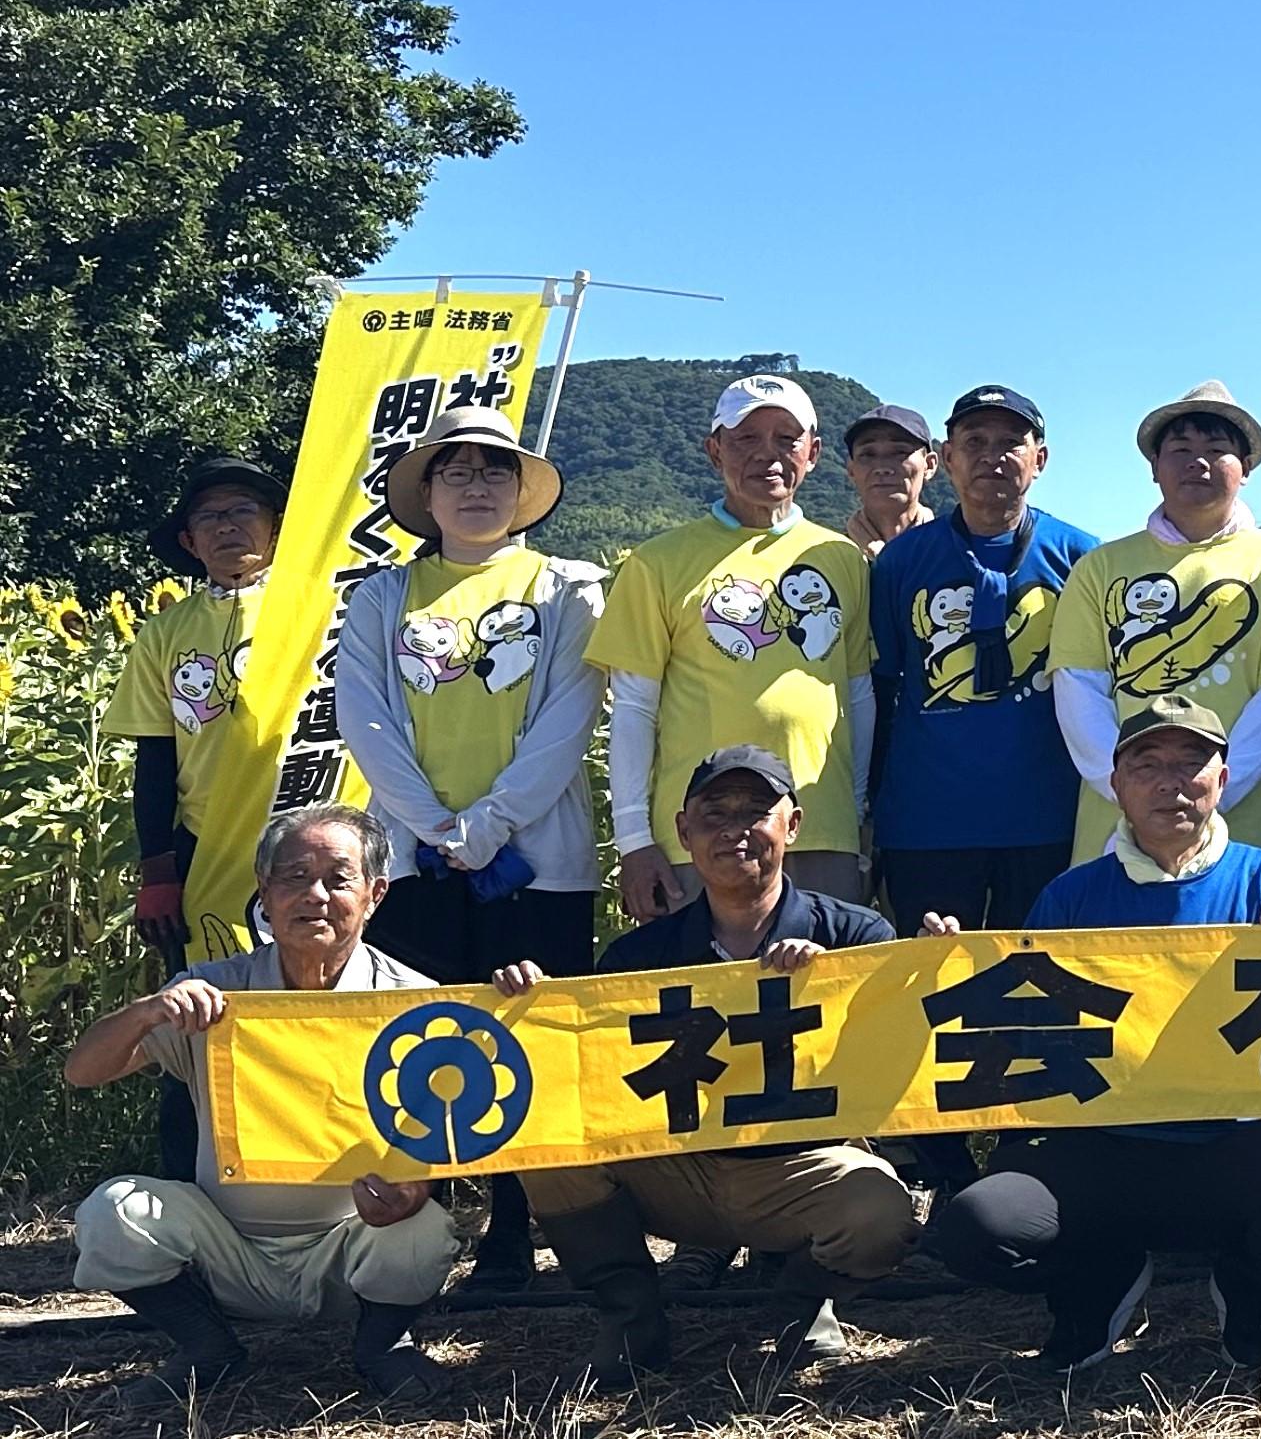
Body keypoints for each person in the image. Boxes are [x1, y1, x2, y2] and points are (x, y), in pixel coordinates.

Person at [921, 695, 1261, 1373]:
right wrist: (943, 965)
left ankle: (1244, 1288)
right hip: (1102, 1142)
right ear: (1115, 783)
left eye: (1190, 764)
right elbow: (1022, 1026)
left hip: (1232, 1141)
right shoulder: (1072, 895)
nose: (1169, 783)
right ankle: (1099, 1276)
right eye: (1146, 765)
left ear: (1223, 778)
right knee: (979, 1229)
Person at [495, 747, 921, 1385]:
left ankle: (802, 1301)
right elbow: (588, 1068)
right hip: (676, 1169)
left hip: (800, 1167)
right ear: (683, 831)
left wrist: (922, 967)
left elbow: (902, 1051)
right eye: (714, 813)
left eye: (757, 812)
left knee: (880, 1210)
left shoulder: (855, 936)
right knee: (549, 1150)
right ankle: (631, 1317)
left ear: (793, 826)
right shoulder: (638, 955)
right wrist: (529, 1004)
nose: (735, 829)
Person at [335, 404, 605, 1291]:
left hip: (538, 859)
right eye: (457, 471)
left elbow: (570, 713)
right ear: (427, 491)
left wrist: (487, 827)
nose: (478, 487)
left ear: (523, 490)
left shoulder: (567, 587)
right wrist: (438, 830)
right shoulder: (381, 596)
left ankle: (522, 1227)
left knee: (531, 1037)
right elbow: (365, 719)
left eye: (496, 471)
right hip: (412, 863)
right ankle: (429, 1225)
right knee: (420, 1041)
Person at [62, 806, 453, 1407]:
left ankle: (380, 1346)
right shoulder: (212, 992)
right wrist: (150, 1009)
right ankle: (204, 1345)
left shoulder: (416, 1001)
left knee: (424, 1231)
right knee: (115, 1211)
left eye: (338, 879)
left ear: (375, 896)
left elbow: (460, 1126)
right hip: (223, 1249)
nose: (315, 895)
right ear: (264, 896)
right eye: (293, 877)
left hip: (350, 1247)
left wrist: (418, 1186)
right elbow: (81, 1072)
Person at [595, 374, 876, 920]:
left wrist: (857, 813)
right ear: (714, 449)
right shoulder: (659, 562)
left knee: (825, 996)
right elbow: (631, 710)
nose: (767, 455)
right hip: (700, 839)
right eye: (746, 439)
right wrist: (633, 840)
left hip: (821, 831)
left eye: (785, 439)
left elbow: (857, 695)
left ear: (812, 453)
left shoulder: (843, 558)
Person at [1051, 380, 1261, 860]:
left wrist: (1203, 800)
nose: (1197, 461)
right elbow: (1079, 692)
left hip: (1238, 838)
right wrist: (1133, 798)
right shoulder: (1100, 567)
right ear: (1154, 468)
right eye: (1180, 448)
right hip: (1112, 834)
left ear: (1246, 469)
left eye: (1217, 449)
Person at [869, 383, 1100, 936]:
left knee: (1039, 987)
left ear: (1038, 459)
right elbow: (880, 689)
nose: (991, 456)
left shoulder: (1082, 557)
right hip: (928, 822)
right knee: (933, 991)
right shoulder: (902, 562)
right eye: (974, 441)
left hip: (1050, 818)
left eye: (1010, 442)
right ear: (946, 457)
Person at [117, 456, 331, 966]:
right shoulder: (164, 632)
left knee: (319, 990)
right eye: (208, 518)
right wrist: (158, 871)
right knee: (209, 996)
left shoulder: (326, 609)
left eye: (243, 510)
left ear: (276, 527)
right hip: (205, 842)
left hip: (313, 833)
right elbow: (155, 756)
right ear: (189, 542)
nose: (227, 525)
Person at [836, 403, 940, 554]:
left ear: (929, 465)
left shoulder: (956, 553)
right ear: (851, 469)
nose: (882, 468)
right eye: (868, 455)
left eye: (899, 452)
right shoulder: (829, 560)